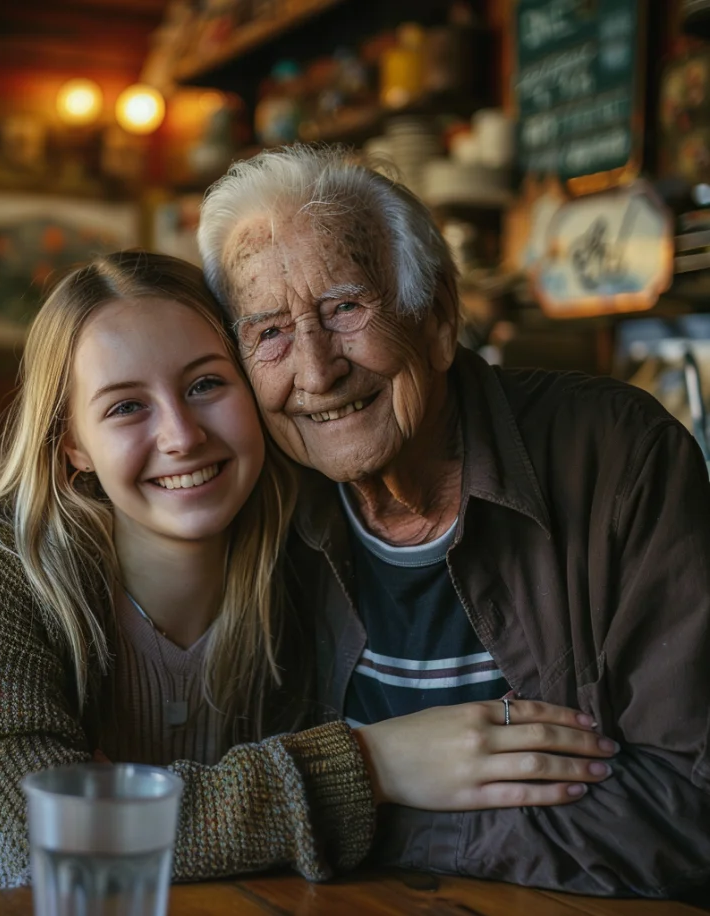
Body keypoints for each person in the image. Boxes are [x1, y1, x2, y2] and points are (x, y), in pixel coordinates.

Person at [0, 252, 615, 900]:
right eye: (127, 406)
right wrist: (371, 764)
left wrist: (123, 807)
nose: (181, 435)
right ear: (73, 446)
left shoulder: (309, 539)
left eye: (204, 385)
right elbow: (20, 849)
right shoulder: (4, 564)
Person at [189, 144, 710, 898]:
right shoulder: (256, 494)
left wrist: (367, 809)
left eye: (343, 308)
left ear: (436, 321)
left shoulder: (618, 459)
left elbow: (685, 804)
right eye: (267, 331)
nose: (315, 369)